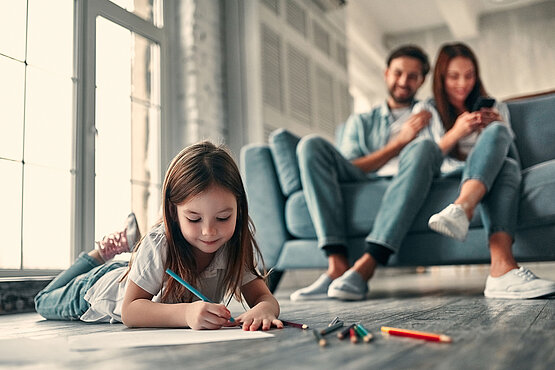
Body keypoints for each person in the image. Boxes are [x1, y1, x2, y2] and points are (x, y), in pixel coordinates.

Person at [35, 141, 283, 330]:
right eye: (194, 219)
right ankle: (98, 256)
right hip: (95, 292)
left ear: (239, 209)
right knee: (42, 301)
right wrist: (186, 314)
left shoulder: (233, 243)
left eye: (223, 218)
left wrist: (263, 309)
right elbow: (131, 311)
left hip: (134, 273)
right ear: (173, 213)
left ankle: (125, 253)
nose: (209, 231)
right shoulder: (159, 243)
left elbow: (263, 297)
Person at [290, 45, 443, 301]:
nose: (404, 81)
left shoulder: (430, 114)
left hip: (409, 180)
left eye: (413, 76)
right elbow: (351, 168)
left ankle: (366, 267)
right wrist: (399, 143)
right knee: (310, 145)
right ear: (386, 74)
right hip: (365, 179)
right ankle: (337, 265)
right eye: (398, 73)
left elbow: (440, 157)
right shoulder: (362, 122)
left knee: (425, 148)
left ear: (422, 80)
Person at [424, 42, 555, 299]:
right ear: (441, 78)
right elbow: (426, 160)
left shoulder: (495, 106)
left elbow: (512, 156)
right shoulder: (429, 111)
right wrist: (456, 133)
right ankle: (501, 271)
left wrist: (495, 127)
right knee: (505, 165)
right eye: (454, 76)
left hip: (498, 166)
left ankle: (461, 208)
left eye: (469, 75)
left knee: (501, 146)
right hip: (455, 174)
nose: (463, 83)